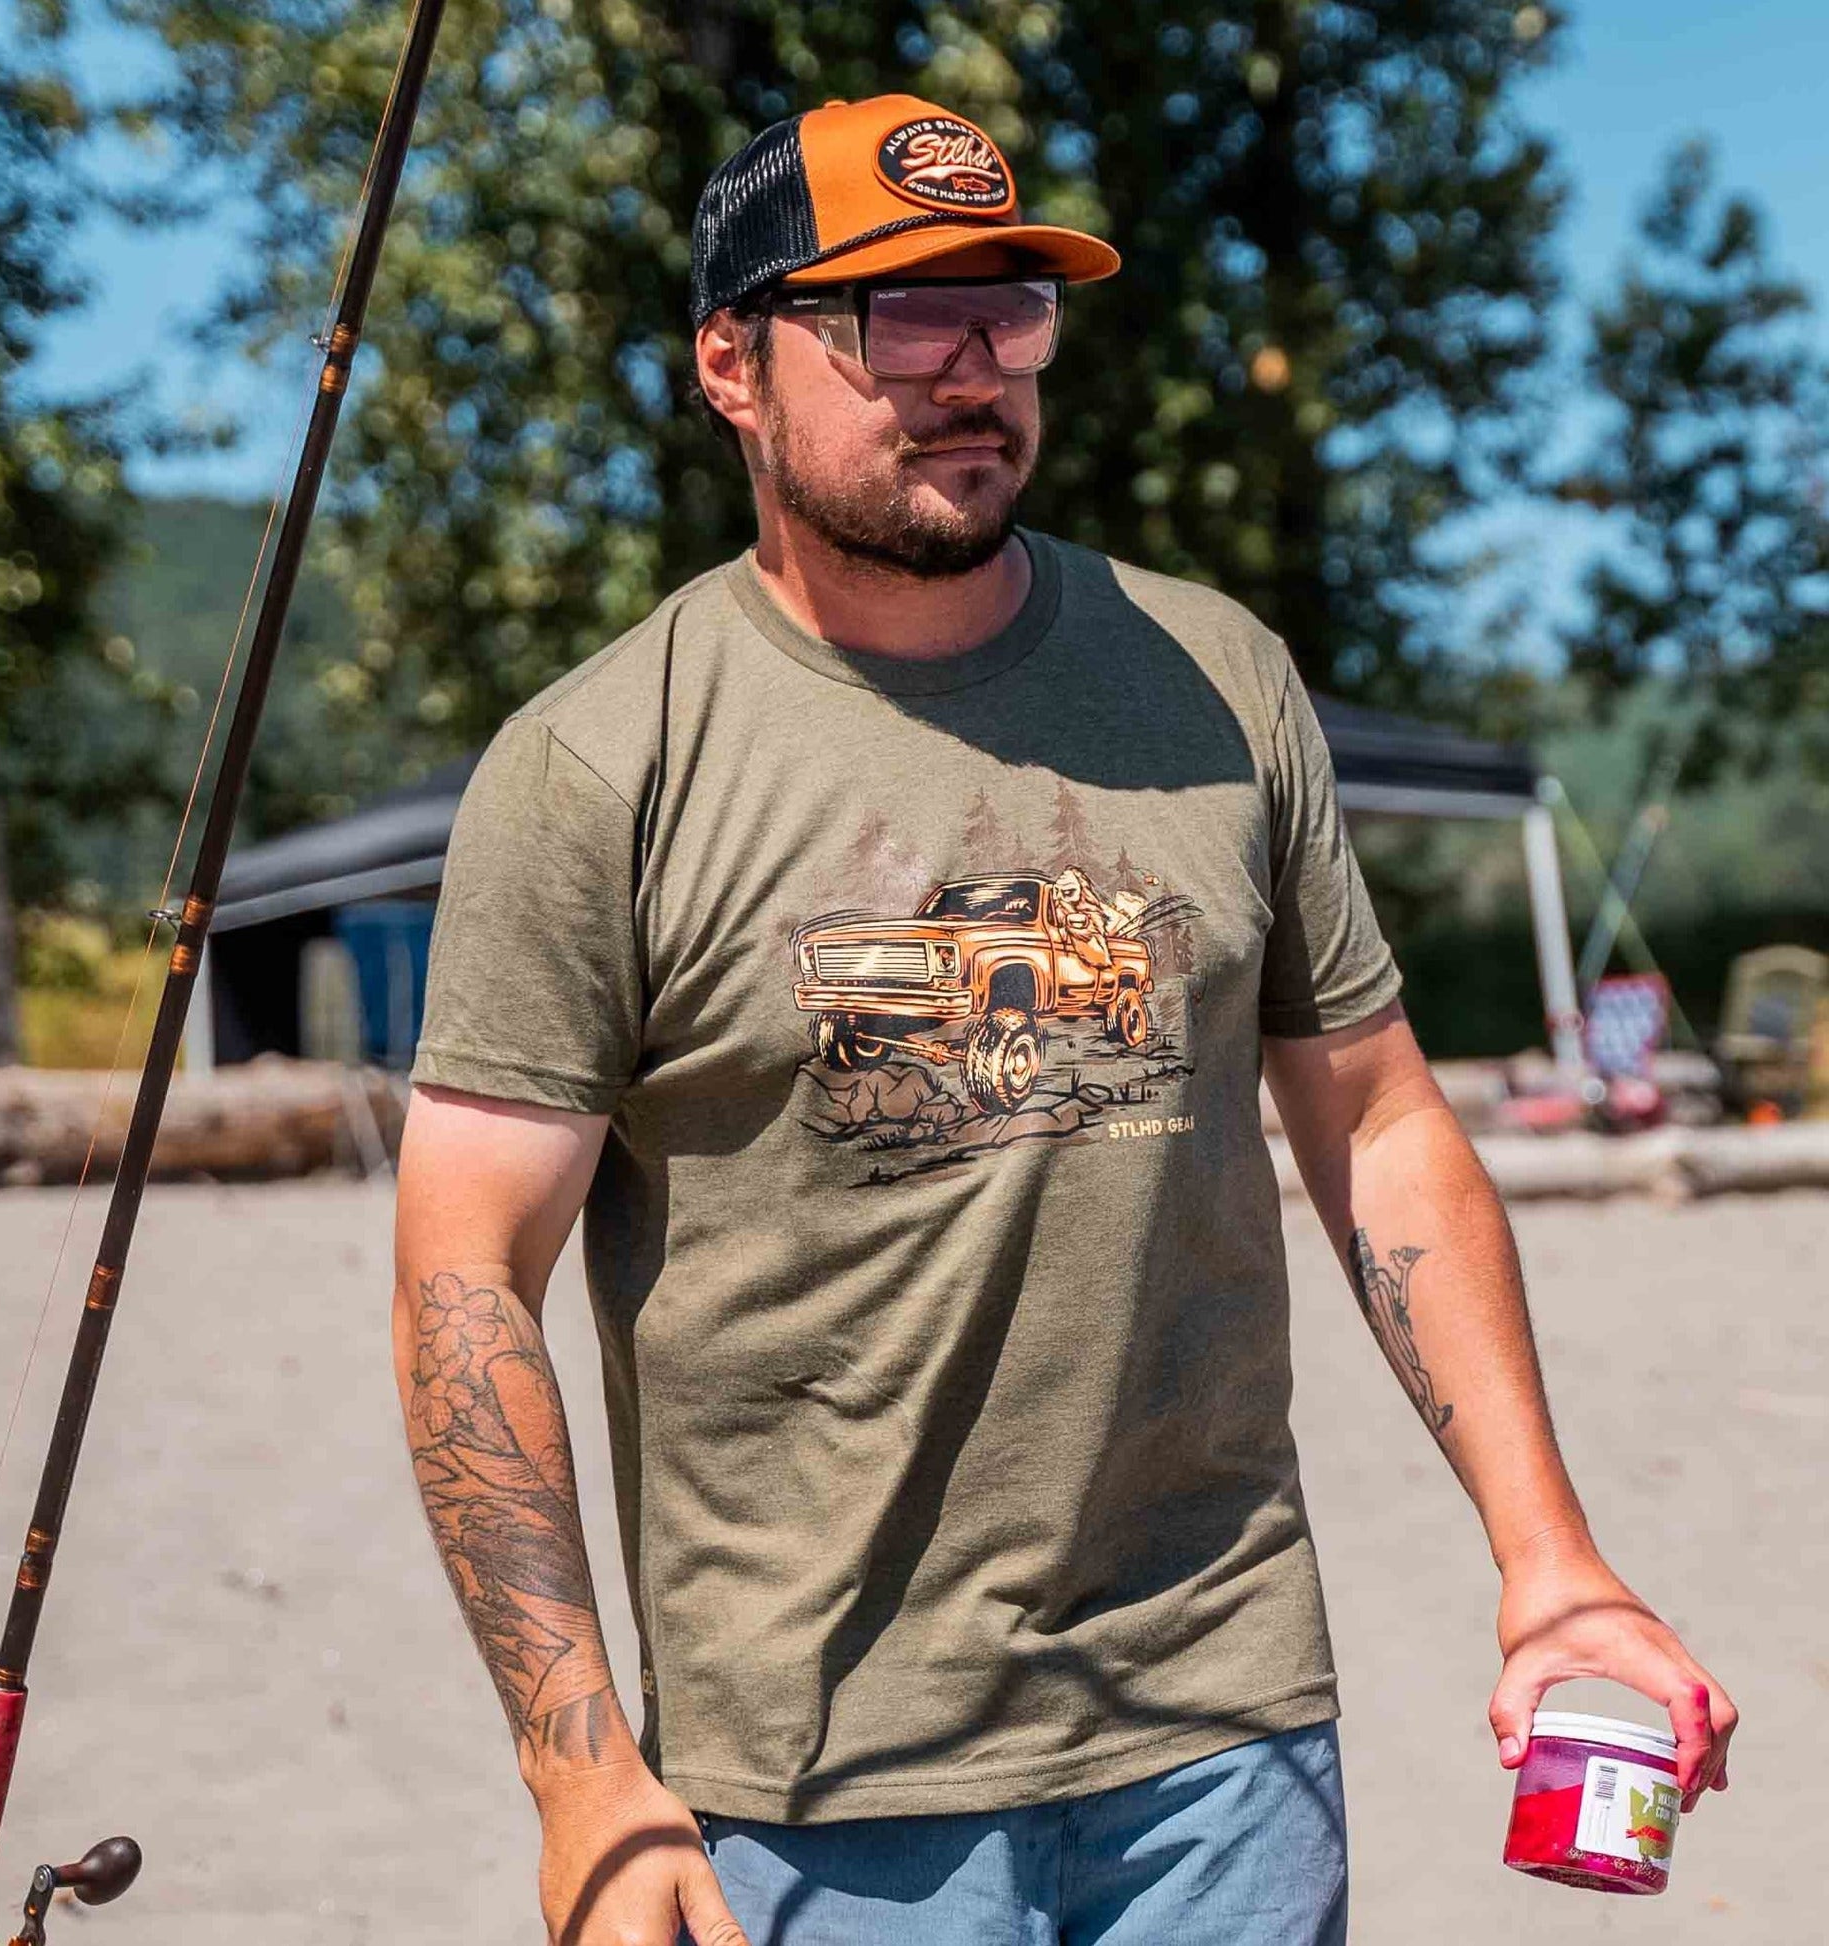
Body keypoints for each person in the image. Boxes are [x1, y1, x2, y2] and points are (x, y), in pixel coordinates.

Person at [392, 93, 1735, 1946]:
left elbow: (1378, 1120)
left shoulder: (1213, 678)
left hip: (1221, 1728)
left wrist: (1549, 1559)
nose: (969, 368)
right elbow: (465, 1282)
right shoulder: (595, 765)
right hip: (818, 1785)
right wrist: (582, 1777)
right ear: (729, 362)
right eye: (893, 317)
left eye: (1008, 311)